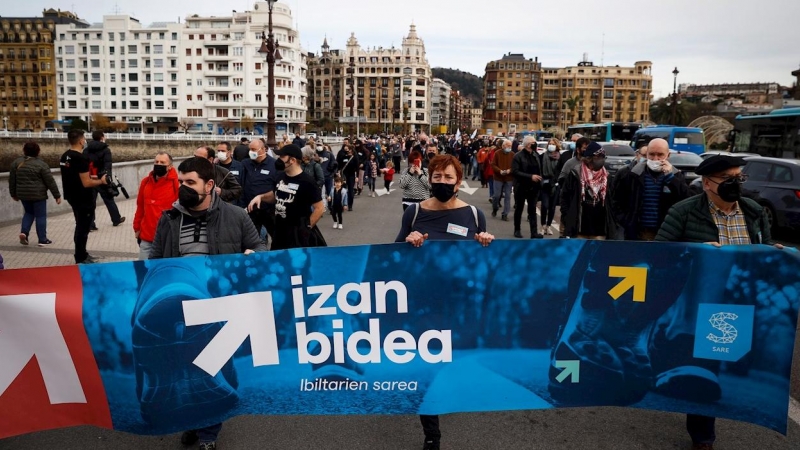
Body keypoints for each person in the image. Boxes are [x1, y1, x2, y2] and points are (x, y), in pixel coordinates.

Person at [655, 154, 783, 450]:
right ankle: (703, 438)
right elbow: (660, 255)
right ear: (708, 183)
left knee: (732, 362)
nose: (736, 183)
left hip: (739, 301)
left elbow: (762, 246)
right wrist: (695, 250)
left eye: (739, 177)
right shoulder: (684, 212)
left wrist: (771, 252)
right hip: (699, 302)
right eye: (728, 178)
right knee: (705, 366)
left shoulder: (753, 211)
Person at [149, 156, 266, 450]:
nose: (184, 188)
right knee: (183, 374)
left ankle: (208, 436)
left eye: (191, 183)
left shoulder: (236, 216)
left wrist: (255, 257)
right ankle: (192, 423)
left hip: (220, 309)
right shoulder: (169, 218)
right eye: (182, 182)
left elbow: (260, 248)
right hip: (179, 311)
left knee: (211, 374)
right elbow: (154, 263)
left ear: (210, 185)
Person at [394, 154, 494, 450]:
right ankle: (432, 434)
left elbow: (484, 265)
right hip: (422, 304)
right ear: (429, 179)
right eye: (436, 177)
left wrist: (485, 244)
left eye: (448, 178)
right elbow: (392, 256)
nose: (442, 182)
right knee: (428, 367)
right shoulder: (414, 212)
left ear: (458, 181)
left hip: (459, 306)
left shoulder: (474, 216)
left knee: (451, 365)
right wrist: (409, 243)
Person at [248, 144, 326, 250]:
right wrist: (261, 197)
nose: (278, 160)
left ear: (292, 160)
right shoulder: (280, 176)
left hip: (298, 236)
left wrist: (307, 228)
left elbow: (320, 208)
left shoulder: (307, 181)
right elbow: (276, 194)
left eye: (282, 157)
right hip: (279, 232)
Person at [611, 138, 689, 241]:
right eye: (651, 154)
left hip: (665, 234)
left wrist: (671, 179)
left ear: (668, 155)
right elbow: (616, 201)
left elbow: (685, 200)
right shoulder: (631, 174)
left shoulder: (676, 176)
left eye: (660, 154)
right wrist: (627, 221)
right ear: (646, 154)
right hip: (637, 234)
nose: (655, 158)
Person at [60, 129, 110, 264]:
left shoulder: (65, 157)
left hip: (71, 195)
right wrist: (101, 181)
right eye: (84, 139)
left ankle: (82, 253)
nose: (85, 141)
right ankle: (80, 256)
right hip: (83, 197)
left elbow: (77, 176)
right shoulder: (81, 158)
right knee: (83, 228)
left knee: (80, 225)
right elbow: (86, 182)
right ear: (81, 141)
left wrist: (94, 177)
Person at [560, 141, 617, 240]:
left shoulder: (607, 177)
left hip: (600, 229)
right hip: (580, 229)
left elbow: (613, 202)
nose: (601, 160)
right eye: (598, 157)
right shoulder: (575, 175)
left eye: (603, 157)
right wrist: (568, 219)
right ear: (589, 158)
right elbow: (565, 198)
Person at [10, 141, 61, 246]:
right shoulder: (41, 164)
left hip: (23, 194)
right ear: (38, 151)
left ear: (24, 151)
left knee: (28, 213)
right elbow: (50, 181)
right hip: (39, 195)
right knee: (40, 216)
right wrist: (57, 195)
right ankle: (42, 239)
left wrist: (13, 193)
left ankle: (24, 232)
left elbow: (12, 180)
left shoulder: (16, 163)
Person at [132, 151, 179, 260]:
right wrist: (137, 227)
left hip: (167, 239)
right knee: (143, 271)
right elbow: (140, 206)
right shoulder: (146, 182)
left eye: (162, 162)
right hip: (146, 237)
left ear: (170, 166)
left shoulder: (176, 184)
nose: (158, 164)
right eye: (156, 161)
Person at [241, 138, 279, 246]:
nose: (251, 152)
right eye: (250, 149)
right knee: (249, 239)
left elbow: (278, 186)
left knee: (277, 236)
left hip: (269, 209)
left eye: (254, 149)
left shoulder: (274, 165)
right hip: (250, 208)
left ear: (263, 149)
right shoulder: (245, 164)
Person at [84, 130, 124, 229]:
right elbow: (107, 165)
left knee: (90, 202)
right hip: (102, 179)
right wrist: (107, 177)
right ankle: (116, 219)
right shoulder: (105, 150)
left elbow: (83, 165)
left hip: (90, 178)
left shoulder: (86, 150)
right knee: (109, 200)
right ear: (102, 137)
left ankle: (90, 224)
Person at [512, 136, 544, 239]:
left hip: (533, 188)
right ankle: (517, 229)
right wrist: (531, 177)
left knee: (532, 210)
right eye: (533, 143)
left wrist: (539, 181)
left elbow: (539, 169)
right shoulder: (518, 156)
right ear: (528, 144)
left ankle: (534, 232)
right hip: (521, 187)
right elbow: (515, 172)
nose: (535, 144)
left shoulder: (535, 155)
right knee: (519, 209)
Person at [538, 138, 562, 235]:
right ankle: (543, 225)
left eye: (553, 144)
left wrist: (556, 180)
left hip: (555, 184)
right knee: (544, 205)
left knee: (552, 207)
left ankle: (548, 226)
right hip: (545, 184)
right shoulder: (543, 156)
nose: (551, 145)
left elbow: (561, 170)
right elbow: (539, 168)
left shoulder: (560, 157)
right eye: (550, 144)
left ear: (557, 146)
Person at [490, 139, 514, 222]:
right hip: (498, 177)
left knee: (508, 196)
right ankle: (495, 208)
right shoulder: (497, 153)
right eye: (507, 146)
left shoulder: (512, 154)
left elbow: (515, 166)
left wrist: (509, 170)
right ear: (503, 146)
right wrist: (499, 171)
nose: (509, 147)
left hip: (509, 178)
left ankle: (505, 214)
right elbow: (493, 164)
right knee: (496, 195)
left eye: (510, 146)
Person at [337, 144, 359, 211]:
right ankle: (342, 204)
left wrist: (357, 176)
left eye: (349, 149)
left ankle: (350, 205)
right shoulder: (343, 156)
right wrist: (338, 173)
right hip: (344, 175)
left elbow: (357, 167)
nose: (348, 151)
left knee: (350, 190)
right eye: (347, 149)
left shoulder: (354, 157)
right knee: (342, 190)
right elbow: (340, 165)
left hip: (351, 175)